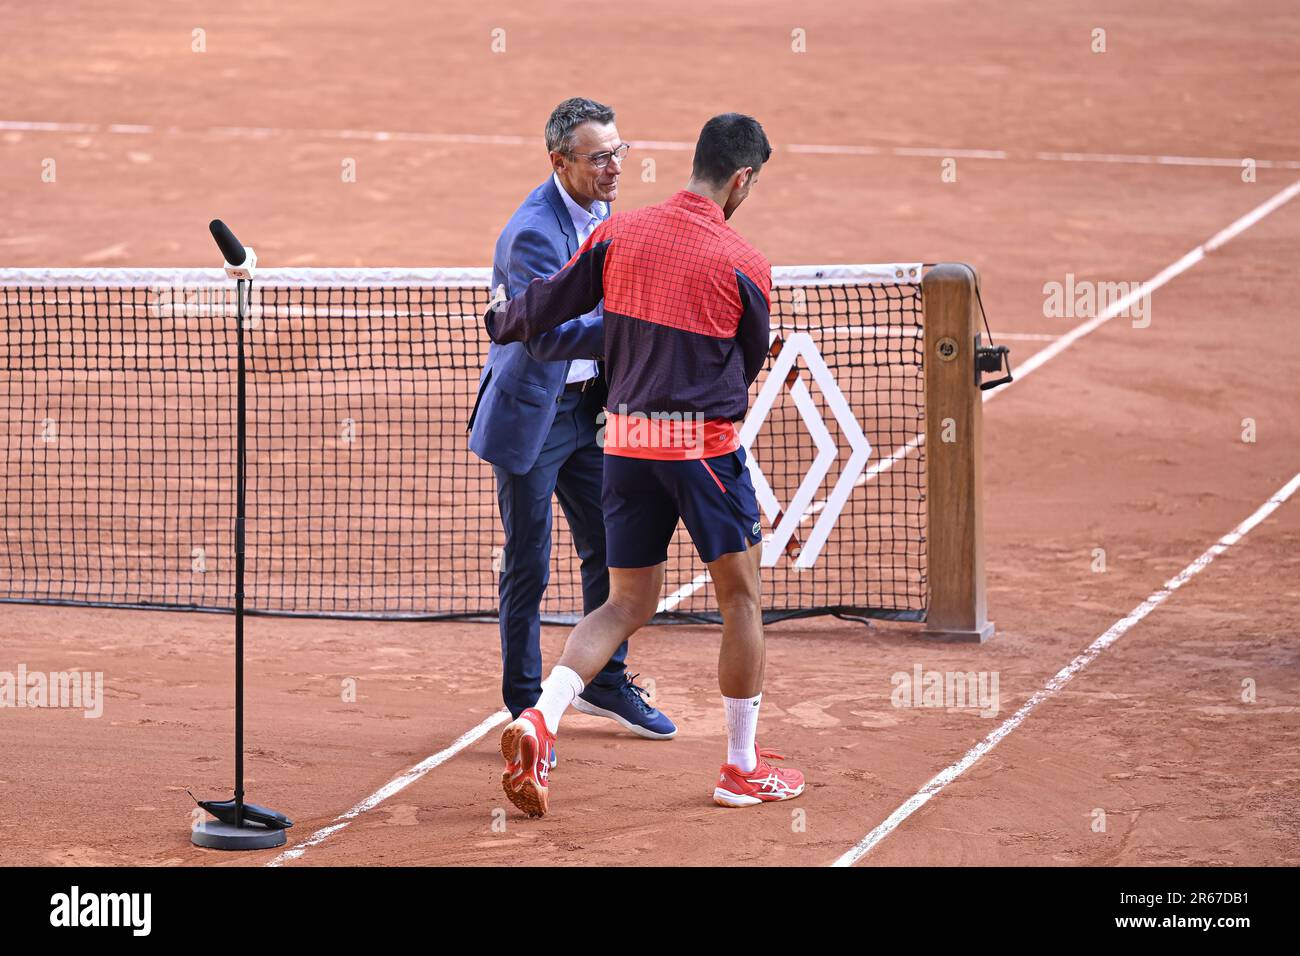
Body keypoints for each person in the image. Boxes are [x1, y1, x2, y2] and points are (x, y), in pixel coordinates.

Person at [485, 113, 805, 817]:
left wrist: (501, 321)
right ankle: (740, 768)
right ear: (742, 178)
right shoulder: (746, 262)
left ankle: (540, 718)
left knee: (624, 602)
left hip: (624, 444)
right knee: (741, 600)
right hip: (703, 450)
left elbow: (547, 303)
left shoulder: (616, 232)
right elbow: (747, 360)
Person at [467, 97, 678, 761]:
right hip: (536, 415)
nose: (614, 167)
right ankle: (528, 711)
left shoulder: (604, 208)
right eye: (598, 158)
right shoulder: (532, 232)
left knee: (609, 548)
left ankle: (603, 681)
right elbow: (548, 335)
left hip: (591, 411)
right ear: (560, 161)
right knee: (528, 560)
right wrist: (632, 325)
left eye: (619, 151)